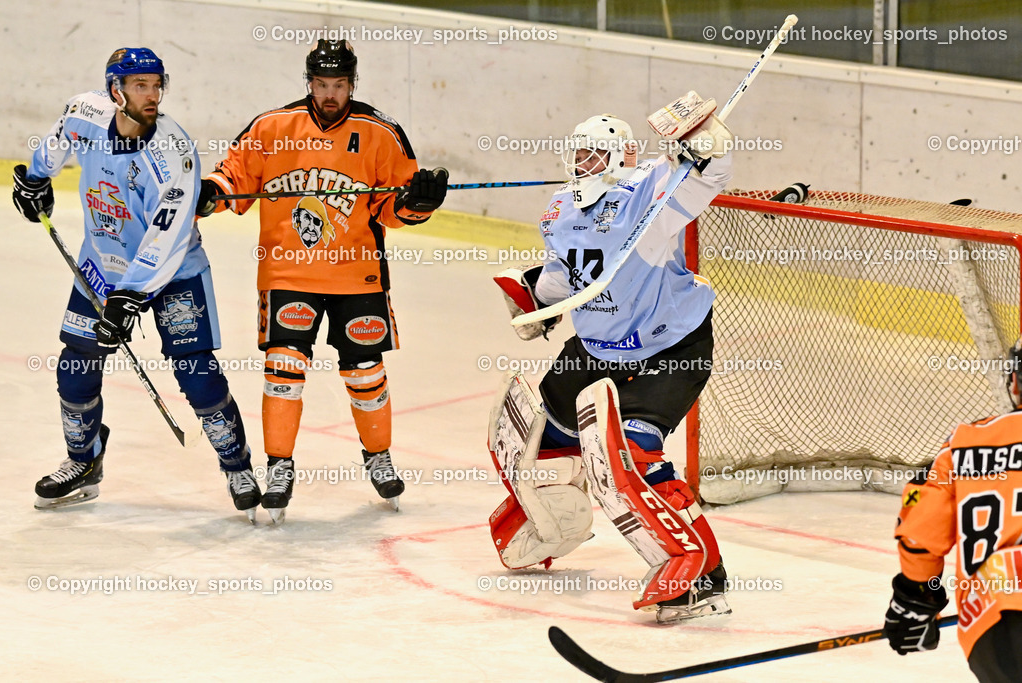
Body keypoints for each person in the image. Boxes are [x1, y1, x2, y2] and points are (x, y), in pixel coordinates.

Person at [487, 94, 735, 623]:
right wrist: (537, 301)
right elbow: (565, 273)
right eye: (579, 154)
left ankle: (703, 573)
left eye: (596, 154)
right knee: (536, 442)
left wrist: (705, 139)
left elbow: (708, 174)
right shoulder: (562, 208)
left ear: (622, 156)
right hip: (596, 348)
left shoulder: (648, 196)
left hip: (668, 348)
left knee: (635, 456)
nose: (584, 164)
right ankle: (559, 524)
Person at [197, 39, 447, 522]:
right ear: (308, 83)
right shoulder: (272, 128)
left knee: (365, 372)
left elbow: (393, 208)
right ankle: (279, 467)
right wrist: (211, 193)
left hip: (358, 275)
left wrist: (418, 204)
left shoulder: (381, 133)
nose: (330, 94)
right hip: (288, 271)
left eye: (339, 85)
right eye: (321, 84)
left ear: (353, 84)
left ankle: (379, 458)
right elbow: (235, 179)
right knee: (283, 369)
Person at [14, 48, 258, 520]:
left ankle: (238, 467)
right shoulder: (85, 112)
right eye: (140, 86)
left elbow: (167, 237)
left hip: (174, 272)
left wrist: (129, 296)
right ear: (115, 90)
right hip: (103, 264)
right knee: (75, 365)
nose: (152, 95)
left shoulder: (173, 152)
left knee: (197, 374)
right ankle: (84, 461)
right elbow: (59, 138)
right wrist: (38, 179)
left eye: (156, 85)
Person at [883, 341, 1022, 681]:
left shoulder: (964, 442)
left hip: (993, 626)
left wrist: (916, 599)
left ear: (1015, 383)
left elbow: (920, 531)